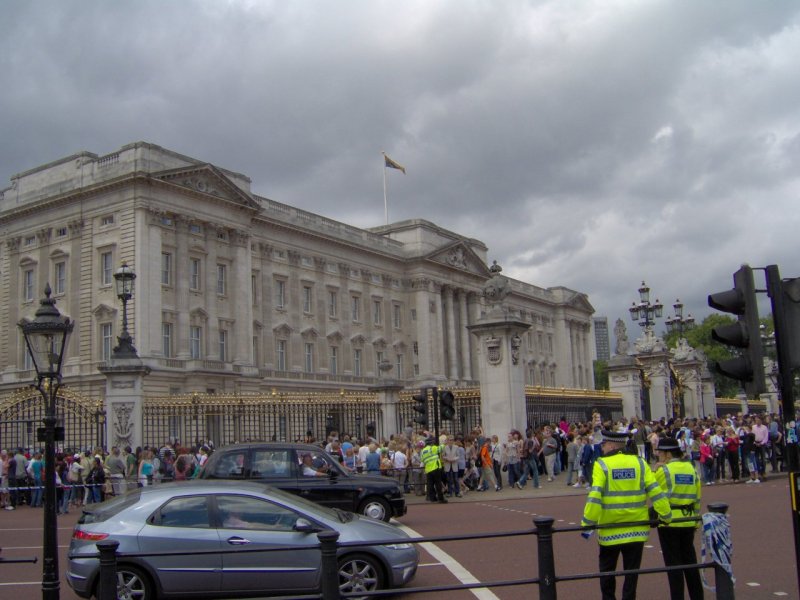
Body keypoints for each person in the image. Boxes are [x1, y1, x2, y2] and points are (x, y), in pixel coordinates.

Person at [581, 430, 671, 600]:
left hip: (610, 530)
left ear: (612, 445)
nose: (602, 447)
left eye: (604, 444)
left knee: (607, 574)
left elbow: (595, 495)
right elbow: (656, 493)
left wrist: (588, 523)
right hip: (637, 530)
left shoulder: (602, 464)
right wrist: (666, 515)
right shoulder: (640, 463)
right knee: (632, 575)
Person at [652, 437, 703, 600]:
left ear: (667, 453)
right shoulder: (691, 469)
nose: (658, 455)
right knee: (690, 562)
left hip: (669, 522)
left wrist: (655, 471)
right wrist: (695, 520)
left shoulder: (664, 471)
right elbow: (697, 496)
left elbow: (653, 491)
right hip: (688, 520)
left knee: (673, 565)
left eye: (659, 452)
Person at [420, 436, 447, 503]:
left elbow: (422, 460)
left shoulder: (423, 451)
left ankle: (432, 498)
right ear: (431, 443)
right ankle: (441, 498)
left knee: (430, 485)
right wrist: (444, 443)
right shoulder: (433, 448)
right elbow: (440, 448)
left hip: (428, 470)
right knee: (438, 484)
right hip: (435, 468)